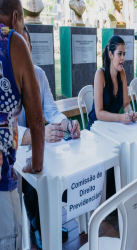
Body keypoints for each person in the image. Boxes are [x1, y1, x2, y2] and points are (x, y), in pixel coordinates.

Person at [20, 26, 81, 250]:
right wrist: (35, 135)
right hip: (15, 150)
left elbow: (51, 110)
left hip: (39, 144)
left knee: (55, 167)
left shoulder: (39, 74)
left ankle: (49, 222)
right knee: (31, 181)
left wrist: (67, 124)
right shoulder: (4, 77)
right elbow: (8, 129)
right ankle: (38, 228)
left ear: (30, 48)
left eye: (24, 46)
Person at [0, 0, 45, 249]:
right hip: (2, 183)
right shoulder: (12, 41)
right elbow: (37, 120)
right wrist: (36, 164)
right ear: (16, 16)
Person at [87, 35, 137, 130]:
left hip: (113, 127)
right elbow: (99, 113)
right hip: (96, 128)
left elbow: (126, 104)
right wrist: (121, 117)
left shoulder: (122, 73)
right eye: (119, 54)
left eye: (124, 54)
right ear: (111, 55)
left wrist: (130, 113)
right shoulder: (100, 75)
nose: (123, 58)